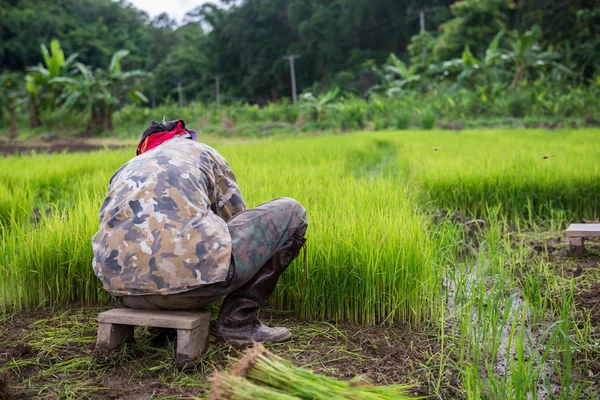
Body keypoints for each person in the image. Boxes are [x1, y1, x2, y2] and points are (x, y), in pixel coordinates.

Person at [92, 120, 308, 344]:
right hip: (191, 290)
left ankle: (162, 328)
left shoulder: (125, 169)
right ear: (183, 137)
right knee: (293, 212)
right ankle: (238, 321)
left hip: (122, 292)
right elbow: (235, 220)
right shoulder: (203, 152)